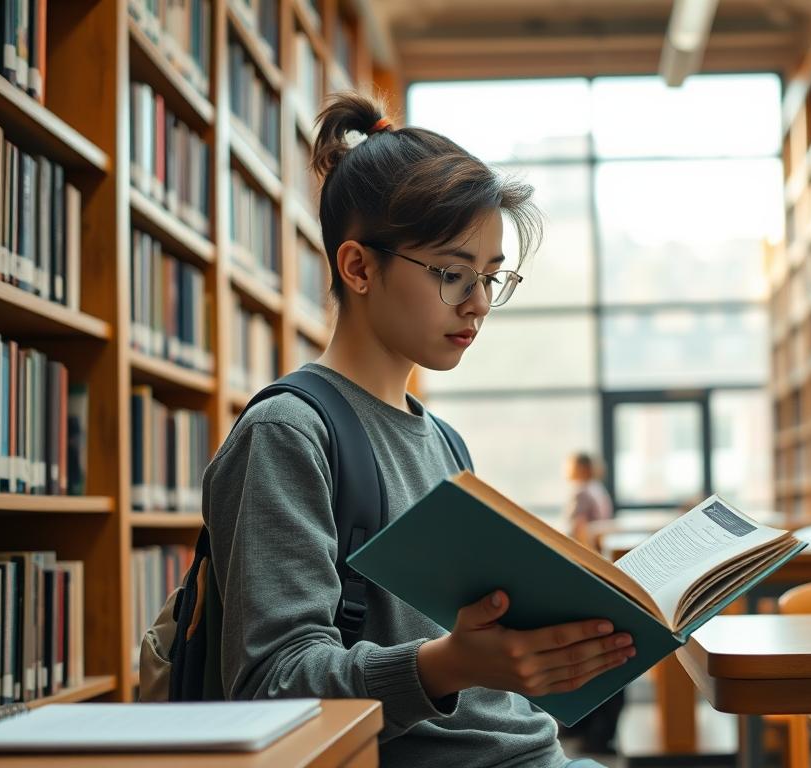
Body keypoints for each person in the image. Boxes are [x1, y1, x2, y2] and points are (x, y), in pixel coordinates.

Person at [200, 91, 632, 768]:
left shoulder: (444, 440)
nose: (480, 304)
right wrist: (444, 666)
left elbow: (472, 650)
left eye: (492, 276)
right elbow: (273, 686)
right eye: (454, 273)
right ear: (359, 267)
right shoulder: (289, 433)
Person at [555, 453, 624, 755]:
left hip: (583, 574)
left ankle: (581, 727)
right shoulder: (599, 490)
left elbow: (575, 532)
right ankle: (587, 728)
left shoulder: (582, 493)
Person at [559, 453, 615, 551]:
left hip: (582, 548)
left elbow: (579, 527)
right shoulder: (598, 488)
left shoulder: (581, 493)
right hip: (599, 542)